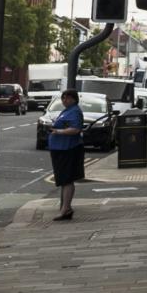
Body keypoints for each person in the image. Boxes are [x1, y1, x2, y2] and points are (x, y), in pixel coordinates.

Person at [48, 86, 88, 219]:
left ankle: (65, 209)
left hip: (68, 149)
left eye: (67, 98)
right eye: (63, 98)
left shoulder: (75, 111)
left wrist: (58, 131)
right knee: (64, 179)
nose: (64, 100)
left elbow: (76, 129)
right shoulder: (68, 111)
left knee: (67, 179)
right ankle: (67, 208)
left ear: (73, 99)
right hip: (60, 148)